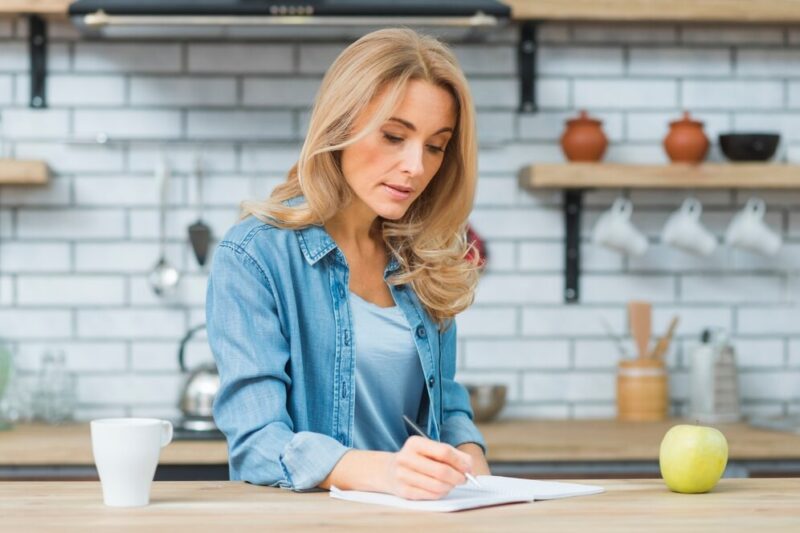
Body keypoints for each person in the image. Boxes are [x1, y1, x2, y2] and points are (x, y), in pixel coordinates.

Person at [206, 27, 489, 501]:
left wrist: (469, 455)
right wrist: (383, 472)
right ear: (340, 127)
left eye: (435, 146)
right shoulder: (254, 256)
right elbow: (257, 442)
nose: (416, 166)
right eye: (394, 136)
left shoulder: (422, 258)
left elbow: (442, 397)